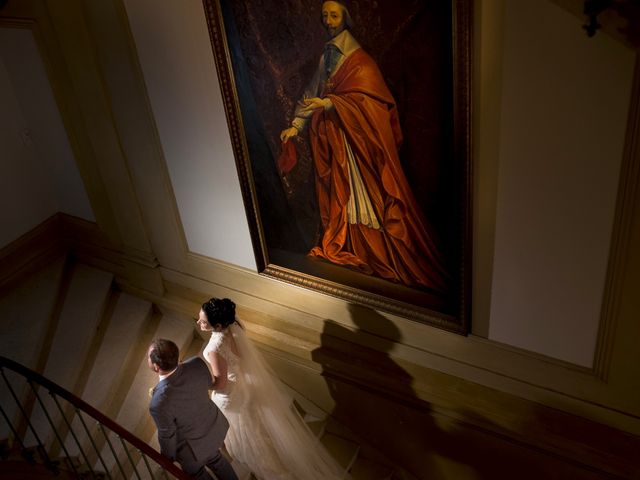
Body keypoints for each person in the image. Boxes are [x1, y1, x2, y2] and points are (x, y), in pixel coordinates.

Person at [279, 0, 448, 292]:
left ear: (346, 18)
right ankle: (353, 246)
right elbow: (312, 91)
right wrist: (296, 125)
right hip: (338, 142)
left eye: (334, 15)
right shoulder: (326, 55)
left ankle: (379, 251)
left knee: (368, 195)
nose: (329, 21)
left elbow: (371, 102)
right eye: (325, 16)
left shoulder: (361, 61)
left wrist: (332, 103)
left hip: (361, 143)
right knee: (344, 195)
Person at [197, 297, 347, 480]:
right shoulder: (233, 326)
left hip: (230, 394)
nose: (199, 323)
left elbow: (220, 383)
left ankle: (274, 473)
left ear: (218, 324)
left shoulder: (214, 347)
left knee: (245, 434)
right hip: (243, 386)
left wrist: (201, 381)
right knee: (251, 429)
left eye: (203, 321)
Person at [148, 339, 239, 480]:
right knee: (217, 460)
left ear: (156, 367)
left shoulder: (158, 403)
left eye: (149, 357)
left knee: (197, 474)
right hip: (213, 429)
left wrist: (167, 459)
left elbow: (168, 435)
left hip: (192, 452)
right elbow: (207, 384)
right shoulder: (197, 364)